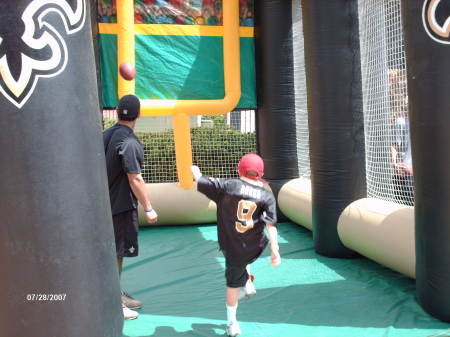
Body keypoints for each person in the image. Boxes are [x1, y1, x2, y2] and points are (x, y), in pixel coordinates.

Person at [190, 154, 281, 337]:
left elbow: (199, 180)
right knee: (243, 259)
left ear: (239, 169)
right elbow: (270, 225)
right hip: (255, 245)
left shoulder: (228, 186)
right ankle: (246, 280)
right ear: (260, 173)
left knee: (232, 286)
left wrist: (195, 171)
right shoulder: (267, 196)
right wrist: (275, 250)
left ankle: (232, 323)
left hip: (232, 245)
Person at [103, 95, 158, 320]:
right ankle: (113, 302)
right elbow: (135, 179)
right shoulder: (130, 142)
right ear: (139, 114)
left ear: (116, 111)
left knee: (110, 252)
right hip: (119, 208)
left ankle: (114, 293)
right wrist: (149, 208)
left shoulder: (104, 135)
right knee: (116, 253)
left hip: (100, 205)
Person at [388, 69, 414, 206]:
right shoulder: (401, 121)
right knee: (404, 202)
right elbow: (394, 144)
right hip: (403, 169)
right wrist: (394, 163)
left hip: (414, 171)